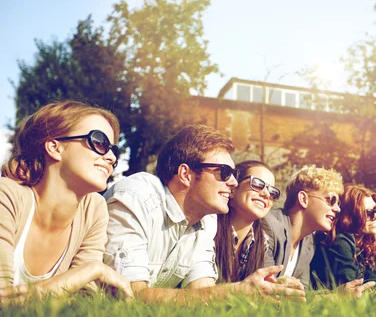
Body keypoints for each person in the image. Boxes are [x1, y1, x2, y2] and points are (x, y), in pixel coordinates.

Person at [103, 125, 304, 304]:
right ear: (185, 174)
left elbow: (201, 294)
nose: (233, 182)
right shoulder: (137, 197)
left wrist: (259, 293)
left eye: (233, 175)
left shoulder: (207, 220)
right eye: (224, 173)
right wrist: (237, 291)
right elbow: (129, 296)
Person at [0, 101, 133, 303]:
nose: (111, 157)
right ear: (55, 147)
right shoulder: (7, 196)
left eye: (113, 149)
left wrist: (85, 276)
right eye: (99, 142)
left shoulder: (93, 209)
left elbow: (83, 298)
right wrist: (92, 269)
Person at [261, 166, 373, 295]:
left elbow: (303, 294)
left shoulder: (308, 242)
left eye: (338, 203)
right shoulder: (269, 225)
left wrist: (337, 295)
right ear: (303, 199)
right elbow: (266, 289)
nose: (337, 209)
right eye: (331, 200)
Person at [215, 160, 295, 285]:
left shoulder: (262, 241)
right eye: (257, 184)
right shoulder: (209, 229)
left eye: (273, 192)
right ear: (233, 188)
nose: (266, 194)